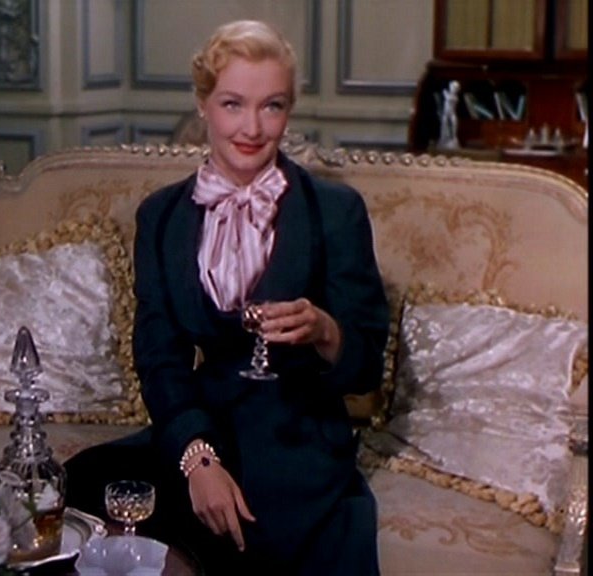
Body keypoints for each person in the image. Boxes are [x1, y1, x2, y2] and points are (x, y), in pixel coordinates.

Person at [64, 19, 389, 575]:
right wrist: (197, 459)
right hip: (203, 426)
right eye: (233, 104)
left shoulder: (335, 211)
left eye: (272, 106)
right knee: (87, 486)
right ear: (204, 105)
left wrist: (326, 331)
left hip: (298, 438)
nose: (253, 128)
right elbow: (160, 358)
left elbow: (365, 367)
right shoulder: (161, 216)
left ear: (289, 110)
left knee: (260, 531)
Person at [438, 80, 460, 149]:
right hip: (446, 114)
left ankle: (453, 138)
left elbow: (452, 99)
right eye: (454, 87)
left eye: (456, 88)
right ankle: (444, 140)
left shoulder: (455, 97)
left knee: (454, 125)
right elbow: (447, 97)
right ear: (450, 87)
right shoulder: (446, 93)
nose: (455, 89)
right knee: (444, 126)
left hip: (452, 114)